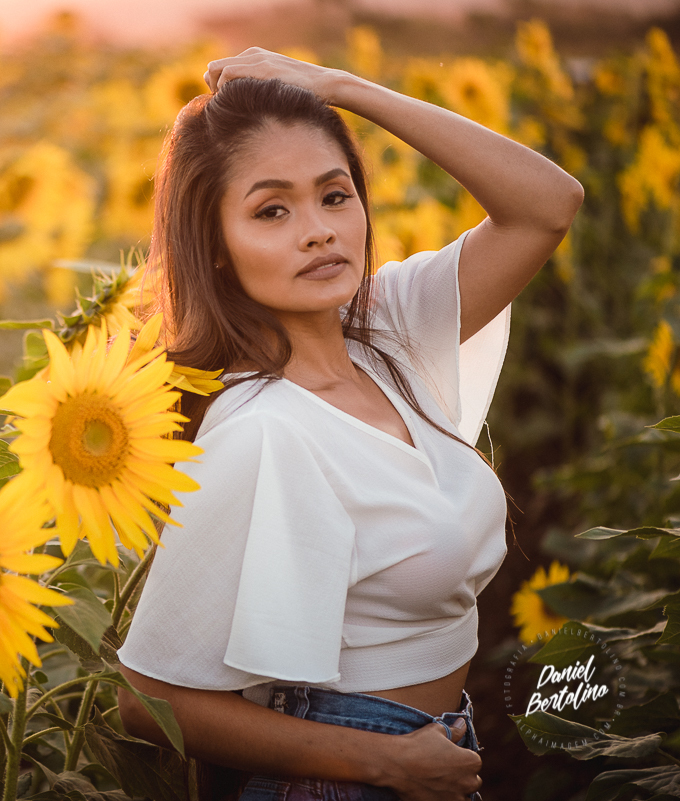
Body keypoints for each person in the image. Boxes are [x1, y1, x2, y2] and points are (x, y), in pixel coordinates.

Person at [115, 49, 583, 801]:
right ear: (216, 248)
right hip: (342, 777)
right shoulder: (260, 427)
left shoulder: (385, 333)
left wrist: (341, 90)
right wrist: (383, 762)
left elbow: (548, 203)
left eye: (335, 197)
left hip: (434, 756)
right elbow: (146, 698)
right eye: (272, 210)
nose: (317, 232)